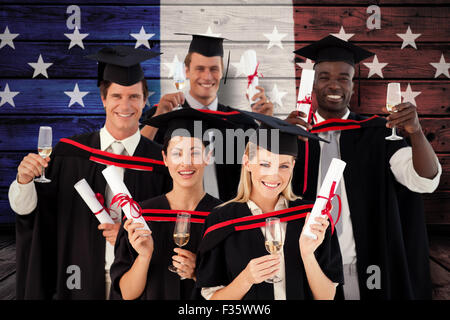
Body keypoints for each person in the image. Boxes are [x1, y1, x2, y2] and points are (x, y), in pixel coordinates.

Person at [8, 46, 171, 299]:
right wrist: (24, 181)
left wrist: (126, 240)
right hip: (79, 283)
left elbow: (177, 226)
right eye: (117, 96)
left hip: (141, 285)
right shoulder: (69, 154)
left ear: (145, 100)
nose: (125, 105)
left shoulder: (163, 162)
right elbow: (32, 213)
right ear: (104, 99)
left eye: (134, 97)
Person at [287, 35, 442, 299]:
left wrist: (415, 132)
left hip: (365, 266)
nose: (334, 84)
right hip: (307, 266)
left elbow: (425, 181)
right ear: (313, 84)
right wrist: (277, 135)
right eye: (324, 76)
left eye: (343, 78)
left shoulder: (377, 134)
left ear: (353, 86)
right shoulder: (293, 135)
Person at [196, 111, 343, 300]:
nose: (274, 175)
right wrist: (246, 279)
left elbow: (327, 296)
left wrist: (307, 254)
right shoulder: (221, 220)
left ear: (293, 167)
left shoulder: (311, 217)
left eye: (284, 166)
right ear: (247, 162)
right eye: (265, 164)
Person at [110, 108, 233, 300]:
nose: (186, 163)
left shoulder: (226, 217)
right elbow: (127, 294)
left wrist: (197, 274)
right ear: (165, 159)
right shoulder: (141, 215)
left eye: (195, 153)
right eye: (177, 153)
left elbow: (236, 290)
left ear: (208, 157)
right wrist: (144, 256)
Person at [140, 33, 272, 201]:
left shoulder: (240, 122)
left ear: (222, 72)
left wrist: (267, 125)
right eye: (200, 68)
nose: (207, 76)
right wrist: (158, 118)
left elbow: (264, 170)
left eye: (213, 69)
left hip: (226, 218)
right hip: (174, 217)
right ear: (186, 71)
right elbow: (137, 158)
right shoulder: (163, 116)